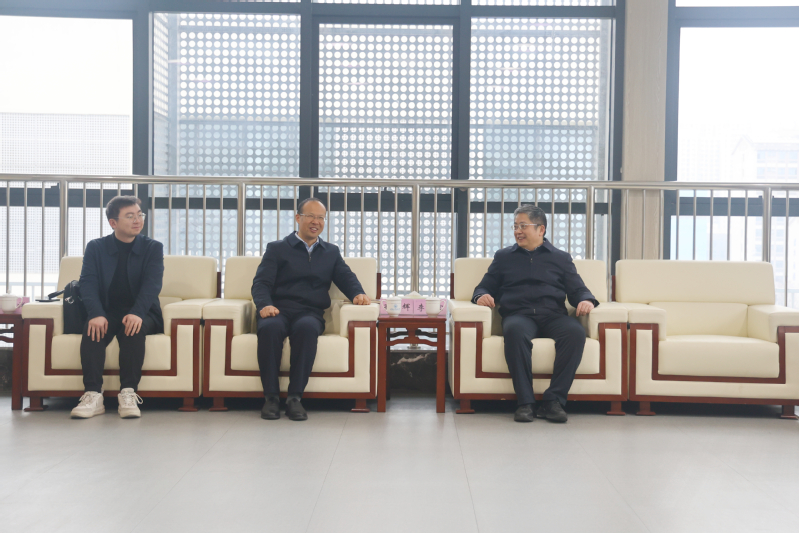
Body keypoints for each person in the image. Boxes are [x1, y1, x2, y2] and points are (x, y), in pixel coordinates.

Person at [472, 205, 598, 423]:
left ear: (541, 229)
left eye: (523, 226)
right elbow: (484, 286)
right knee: (514, 331)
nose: (517, 231)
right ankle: (525, 402)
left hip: (553, 315)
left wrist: (586, 300)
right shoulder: (504, 257)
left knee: (575, 333)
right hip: (519, 315)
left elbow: (577, 289)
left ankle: (554, 400)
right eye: (515, 226)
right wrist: (481, 296)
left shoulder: (560, 258)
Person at [252, 197, 371, 421]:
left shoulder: (330, 252)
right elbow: (261, 283)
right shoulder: (277, 249)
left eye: (321, 218)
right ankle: (271, 398)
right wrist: (265, 305)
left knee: (307, 329)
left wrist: (358, 293)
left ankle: (295, 398)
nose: (316, 222)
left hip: (309, 312)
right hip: (278, 309)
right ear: (298, 218)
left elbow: (345, 276)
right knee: (269, 328)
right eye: (311, 216)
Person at [70, 196, 164, 419]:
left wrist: (137, 313)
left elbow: (152, 285)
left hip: (143, 311)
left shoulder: (153, 248)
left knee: (133, 330)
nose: (137, 220)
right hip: (107, 311)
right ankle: (93, 395)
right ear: (113, 223)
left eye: (139, 214)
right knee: (92, 330)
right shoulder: (96, 247)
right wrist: (96, 313)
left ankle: (128, 393)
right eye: (130, 216)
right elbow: (88, 283)